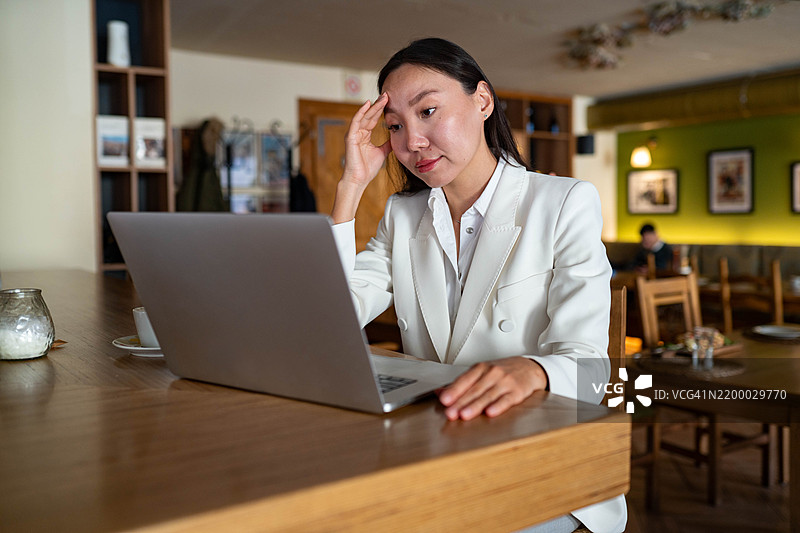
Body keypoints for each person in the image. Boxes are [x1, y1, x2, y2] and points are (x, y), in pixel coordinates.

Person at [329, 38, 625, 533]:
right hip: (433, 449)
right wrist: (350, 188)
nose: (412, 142)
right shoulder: (404, 216)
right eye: (395, 126)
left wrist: (534, 369)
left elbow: (590, 366)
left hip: (541, 463)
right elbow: (331, 319)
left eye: (428, 111)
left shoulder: (563, 201)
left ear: (482, 101)